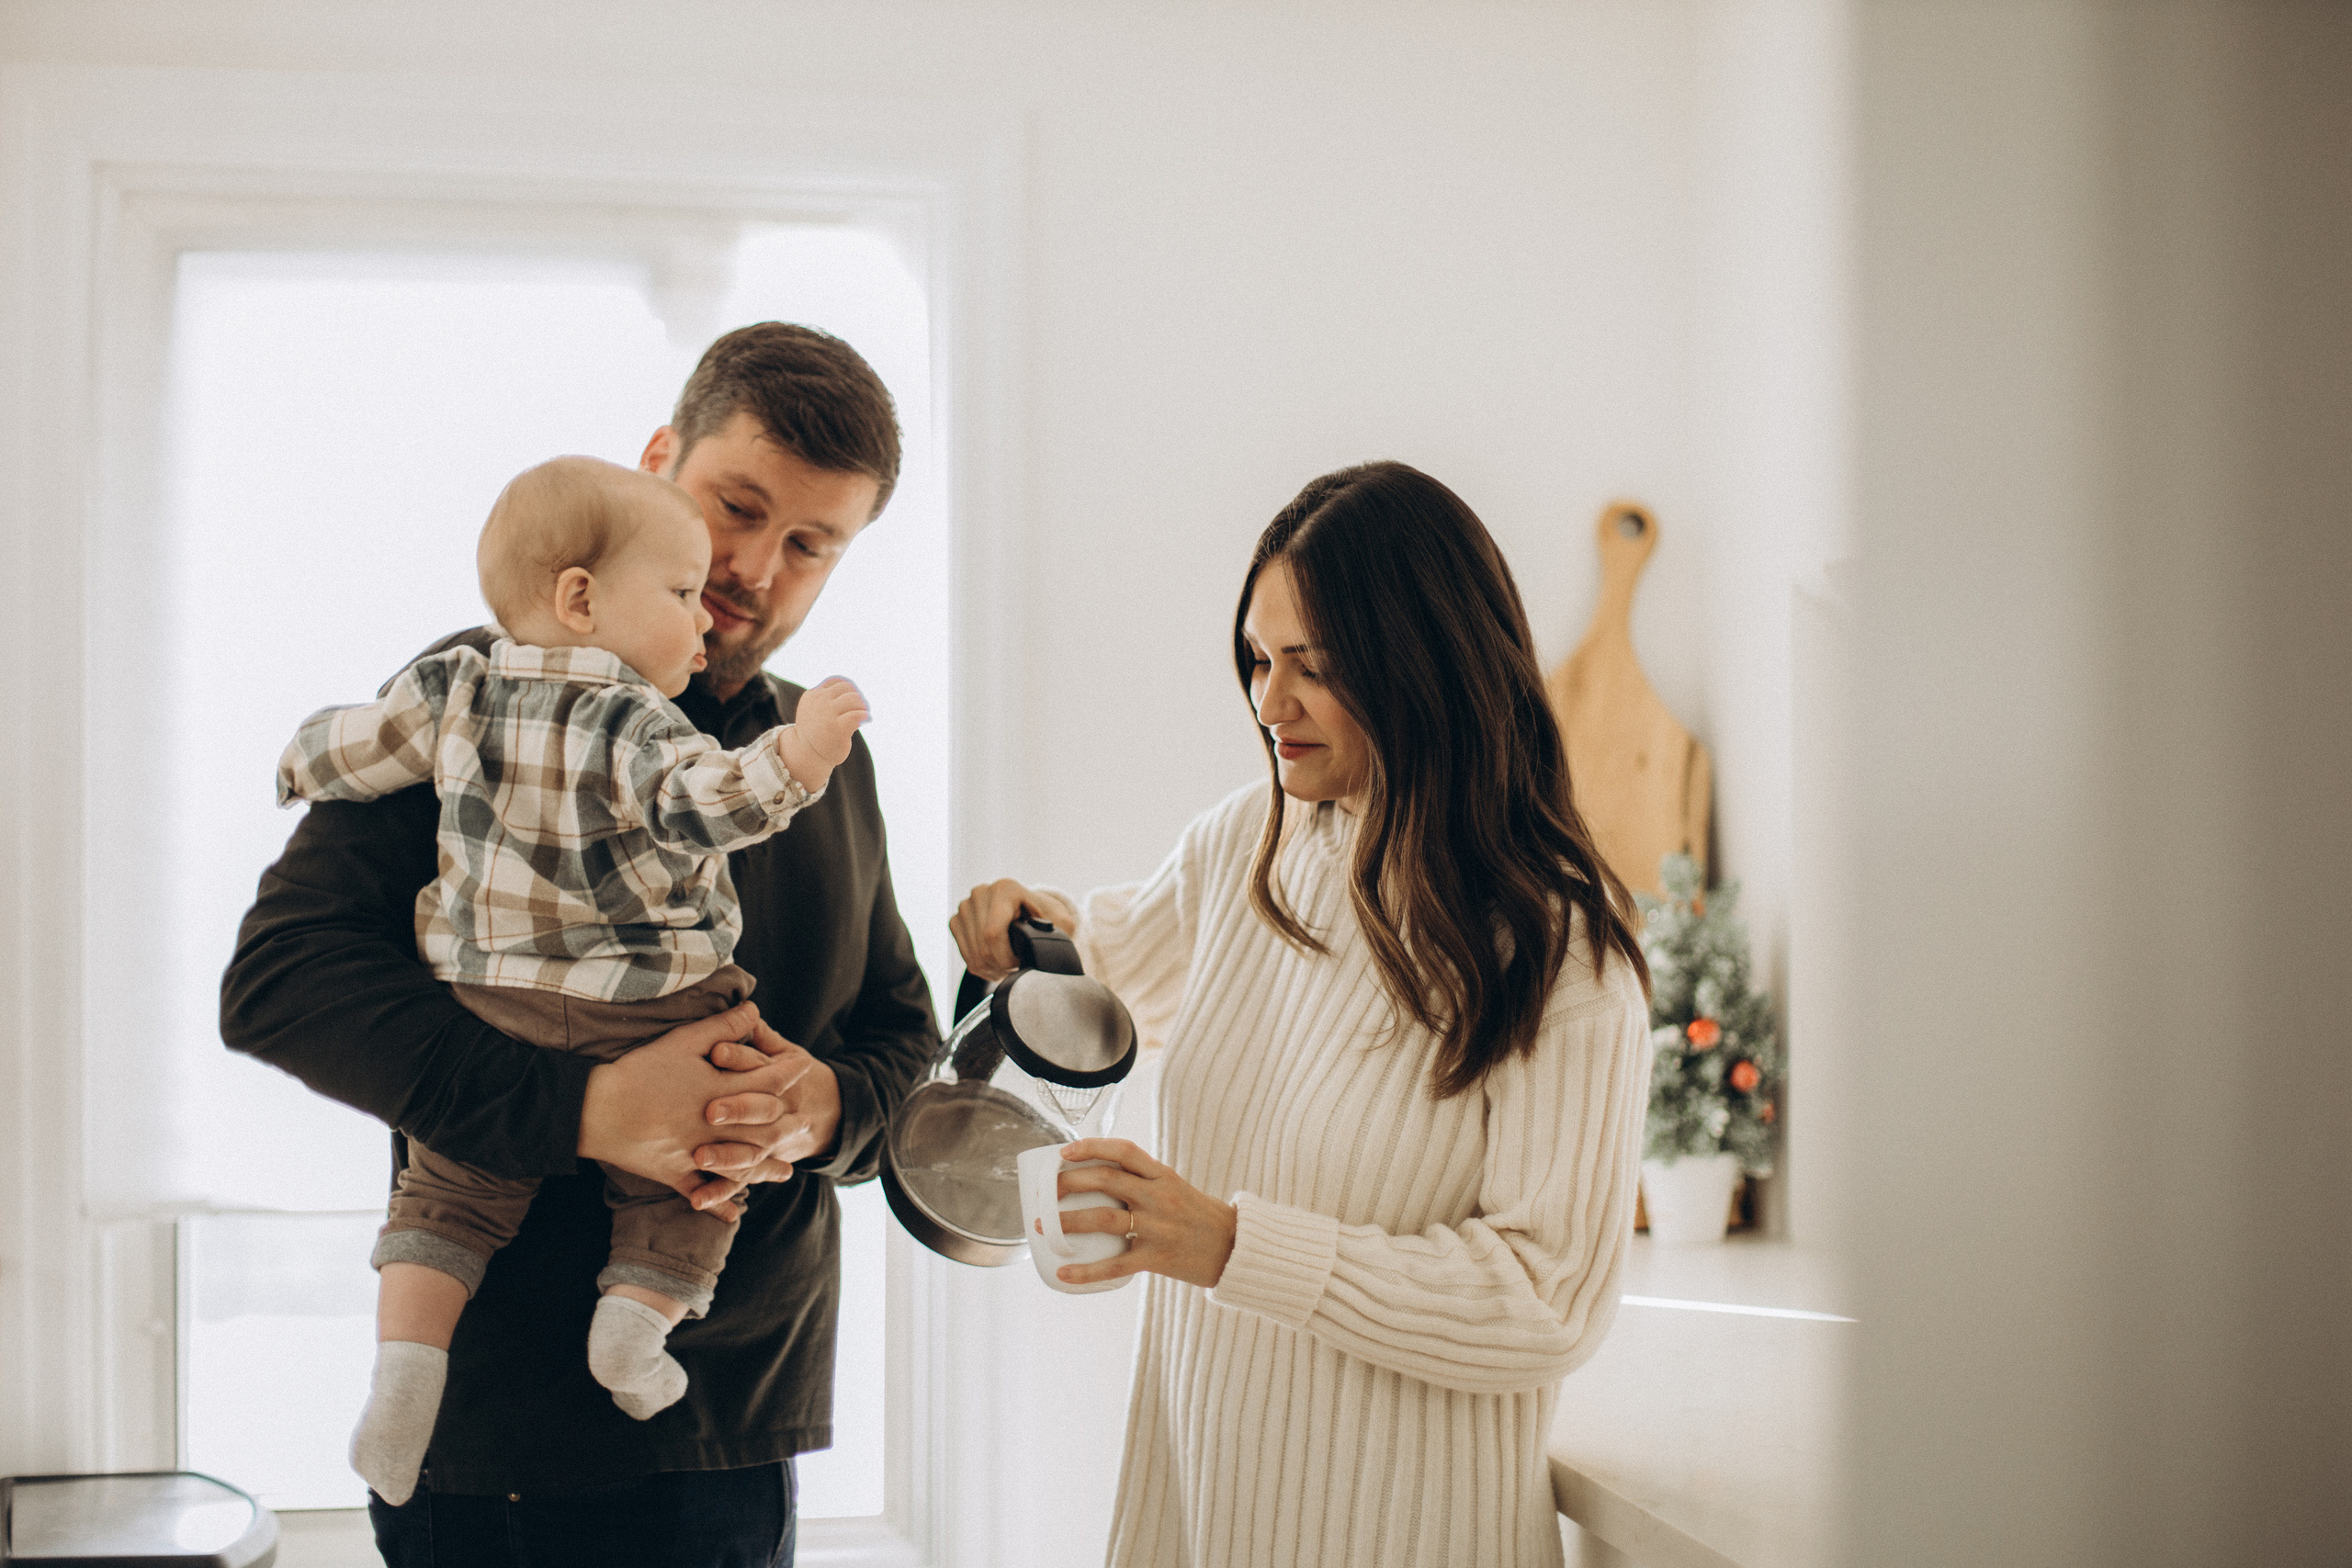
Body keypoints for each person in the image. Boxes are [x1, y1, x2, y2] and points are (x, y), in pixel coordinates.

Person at [222, 324, 937, 1568]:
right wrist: (593, 1106)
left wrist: (819, 1108)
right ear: (660, 459)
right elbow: (281, 987)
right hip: (501, 1448)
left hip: (743, 1433)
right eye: (737, 506)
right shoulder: (480, 695)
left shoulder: (827, 760)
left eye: (810, 543)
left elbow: (900, 1040)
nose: (754, 566)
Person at [951, 461, 1654, 1568]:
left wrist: (1228, 1243)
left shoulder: (1556, 946)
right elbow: (1109, 969)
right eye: (1258, 660)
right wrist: (1026, 930)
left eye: (1312, 670)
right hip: (1194, 1516)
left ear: (1421, 668)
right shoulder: (1252, 841)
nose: (1267, 704)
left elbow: (1544, 1299)